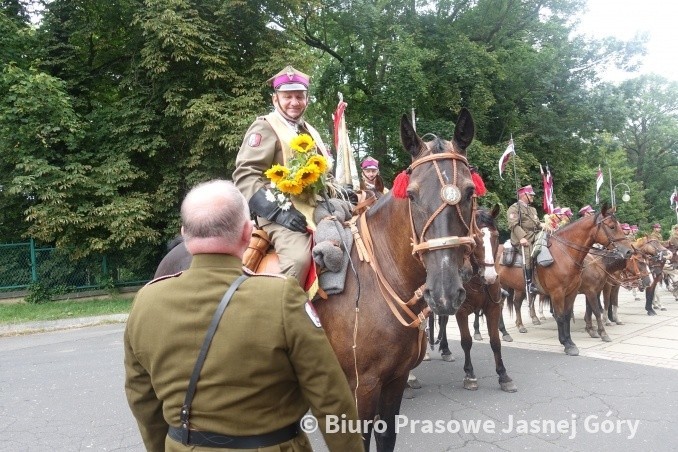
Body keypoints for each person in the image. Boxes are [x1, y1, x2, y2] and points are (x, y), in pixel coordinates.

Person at [124, 180, 363, 452]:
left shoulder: (146, 301)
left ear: (184, 234)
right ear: (248, 232)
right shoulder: (281, 297)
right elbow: (331, 398)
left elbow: (142, 400)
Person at [233, 65, 332, 287]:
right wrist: (279, 213)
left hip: (314, 208)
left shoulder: (309, 131)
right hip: (279, 214)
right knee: (298, 260)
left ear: (307, 99)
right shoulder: (265, 127)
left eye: (299, 96)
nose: (294, 102)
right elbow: (245, 176)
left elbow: (323, 174)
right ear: (275, 99)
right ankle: (282, 313)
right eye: (287, 96)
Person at [507, 185, 542, 293]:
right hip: (521, 237)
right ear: (523, 195)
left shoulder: (532, 209)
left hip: (534, 235)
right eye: (530, 195)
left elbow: (536, 223)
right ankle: (529, 283)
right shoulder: (514, 208)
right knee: (529, 254)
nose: (532, 197)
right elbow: (513, 225)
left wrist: (545, 226)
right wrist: (522, 238)